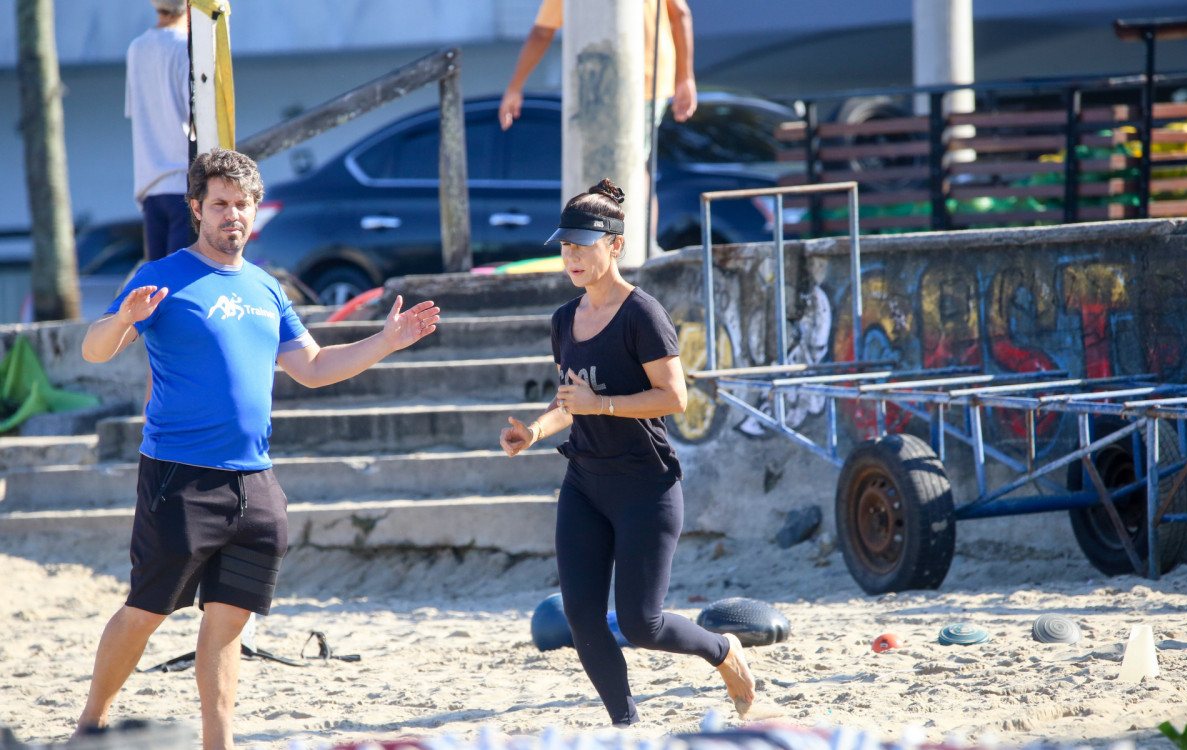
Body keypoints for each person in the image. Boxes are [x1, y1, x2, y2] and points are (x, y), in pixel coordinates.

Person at [75, 148, 440, 750]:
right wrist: (121, 322)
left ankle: (218, 744)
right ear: (196, 209)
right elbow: (95, 349)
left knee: (227, 624)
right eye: (220, 204)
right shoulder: (160, 274)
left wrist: (385, 341)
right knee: (147, 609)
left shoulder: (267, 287)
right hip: (179, 477)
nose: (233, 215)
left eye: (242, 204)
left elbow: (315, 367)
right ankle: (90, 725)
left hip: (256, 482)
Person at [499, 178, 754, 726]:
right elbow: (572, 400)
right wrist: (536, 432)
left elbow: (675, 398)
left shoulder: (643, 314)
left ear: (614, 245)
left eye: (582, 244)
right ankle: (626, 726)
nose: (570, 256)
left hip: (645, 487)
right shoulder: (564, 320)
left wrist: (604, 403)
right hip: (585, 484)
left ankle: (722, 651)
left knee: (643, 624)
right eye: (565, 245)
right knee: (582, 618)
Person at [498, 0, 698, 254]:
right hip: (639, 78)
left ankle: (639, 244)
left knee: (629, 164)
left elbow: (541, 32)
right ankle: (635, 243)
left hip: (633, 80)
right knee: (634, 163)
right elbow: (681, 14)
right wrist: (685, 76)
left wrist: (515, 86)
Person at [126, 0, 195, 262]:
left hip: (149, 186)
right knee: (180, 283)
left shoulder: (136, 49)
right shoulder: (186, 47)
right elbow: (196, 115)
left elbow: (136, 110)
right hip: (183, 182)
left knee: (155, 288)